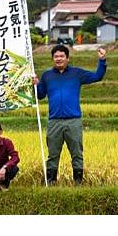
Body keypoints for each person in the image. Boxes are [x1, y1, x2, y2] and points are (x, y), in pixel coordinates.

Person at [33, 45, 107, 185]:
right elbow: (40, 96)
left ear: (67, 58)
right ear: (53, 59)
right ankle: (51, 182)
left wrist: (102, 60)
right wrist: (36, 85)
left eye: (61, 56)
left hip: (74, 121)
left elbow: (97, 76)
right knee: (53, 154)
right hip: (54, 121)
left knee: (77, 153)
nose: (58, 59)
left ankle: (78, 183)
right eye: (56, 56)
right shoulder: (47, 75)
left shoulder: (77, 73)